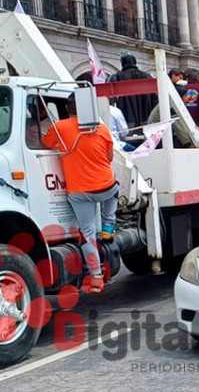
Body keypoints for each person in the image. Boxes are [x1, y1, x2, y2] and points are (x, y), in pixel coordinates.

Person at [41, 94, 118, 293]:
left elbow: (45, 145)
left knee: (87, 234)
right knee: (115, 190)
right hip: (105, 187)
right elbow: (109, 157)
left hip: (80, 192)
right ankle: (109, 226)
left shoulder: (60, 127)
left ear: (68, 108)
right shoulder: (101, 128)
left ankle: (96, 277)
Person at [108, 53, 157, 128]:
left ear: (122, 63)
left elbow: (109, 99)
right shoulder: (147, 76)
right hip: (146, 120)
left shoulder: (116, 77)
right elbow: (155, 99)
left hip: (126, 122)